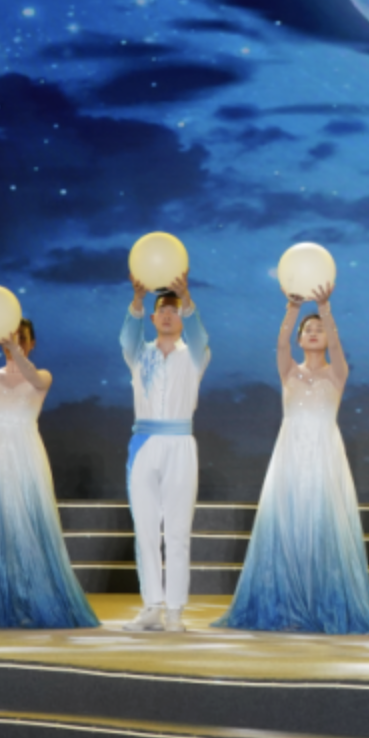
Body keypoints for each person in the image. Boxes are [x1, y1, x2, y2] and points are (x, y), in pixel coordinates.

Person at [216, 283, 369, 635]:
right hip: (290, 454)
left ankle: (323, 605)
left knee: (321, 525)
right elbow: (280, 345)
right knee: (288, 526)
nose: (314, 332)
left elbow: (336, 346)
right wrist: (292, 309)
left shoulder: (337, 373)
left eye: (319, 329)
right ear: (300, 339)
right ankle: (286, 606)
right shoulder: (289, 371)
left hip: (324, 454)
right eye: (308, 330)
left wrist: (324, 308)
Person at [0, 320, 98, 629]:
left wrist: (15, 350)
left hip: (24, 452)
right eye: (10, 339)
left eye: (22, 338)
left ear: (31, 342)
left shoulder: (42, 376)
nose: (15, 344)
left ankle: (28, 604)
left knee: (24, 526)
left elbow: (33, 377)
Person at [121, 272, 207, 634]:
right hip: (144, 445)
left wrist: (187, 297)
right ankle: (152, 607)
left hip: (180, 445)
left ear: (181, 316)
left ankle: (174, 612)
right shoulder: (139, 355)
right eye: (163, 310)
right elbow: (127, 335)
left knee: (177, 531)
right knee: (145, 530)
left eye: (174, 310)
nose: (169, 314)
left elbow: (200, 333)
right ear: (154, 318)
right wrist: (137, 300)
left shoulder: (196, 354)